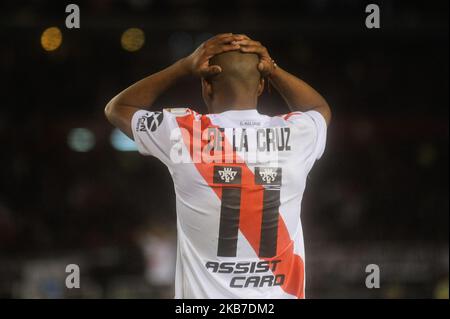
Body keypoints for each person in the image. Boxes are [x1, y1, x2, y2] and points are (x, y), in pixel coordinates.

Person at [105, 33, 331, 298]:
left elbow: (118, 108)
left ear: (207, 86)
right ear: (261, 86)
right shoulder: (297, 134)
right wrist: (274, 70)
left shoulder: (184, 132)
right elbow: (319, 108)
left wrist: (183, 66)